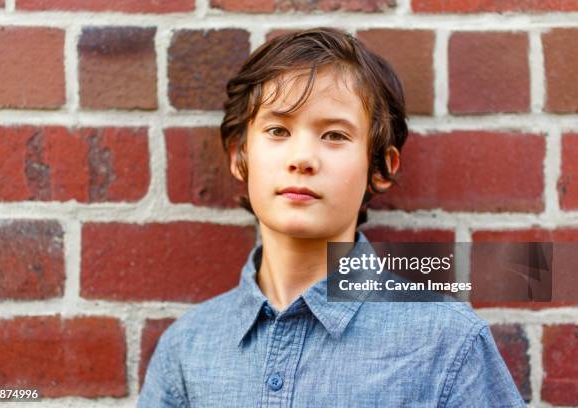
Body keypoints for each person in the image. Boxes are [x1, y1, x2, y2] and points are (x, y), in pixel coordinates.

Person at [137, 27, 526, 407]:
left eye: (335, 136)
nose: (303, 158)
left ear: (380, 168)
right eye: (277, 130)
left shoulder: (445, 343)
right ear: (240, 156)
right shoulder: (188, 349)